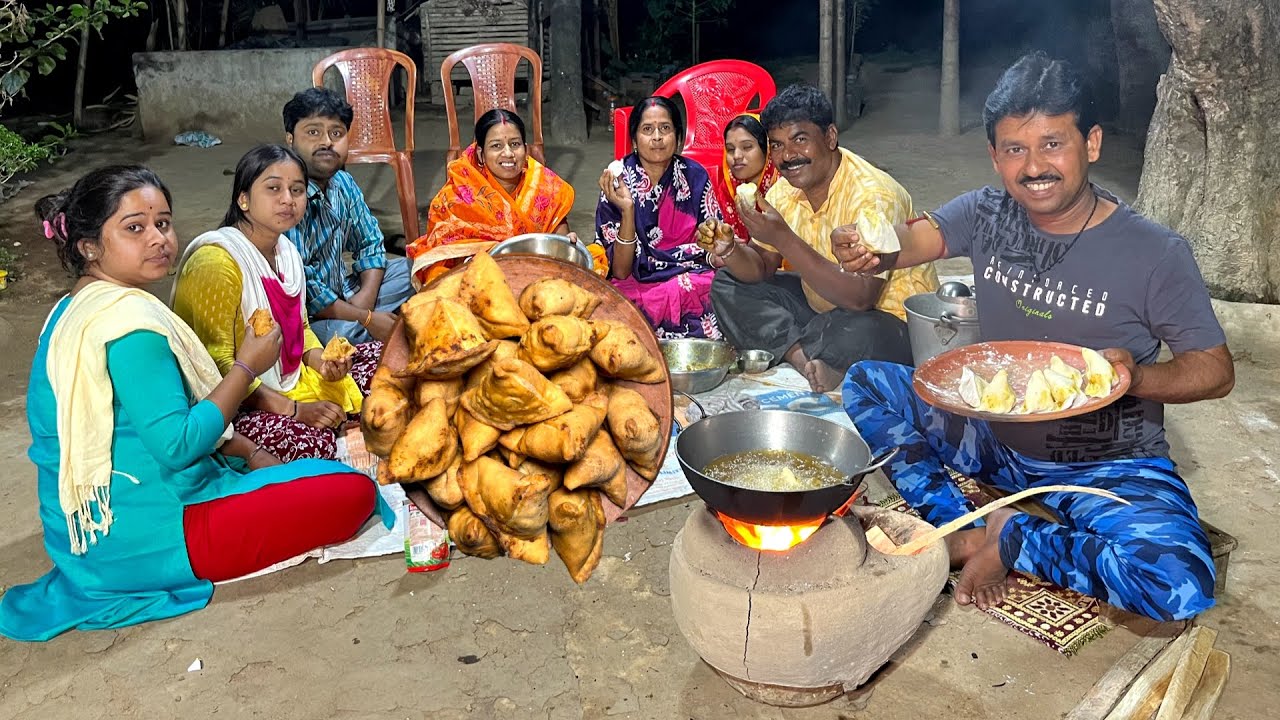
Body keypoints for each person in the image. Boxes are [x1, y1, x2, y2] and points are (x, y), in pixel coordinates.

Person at [835, 53, 1234, 621]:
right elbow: (908, 241)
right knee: (868, 383)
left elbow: (1216, 370)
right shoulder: (986, 212)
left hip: (1105, 463)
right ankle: (965, 529)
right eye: (1014, 149)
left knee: (1176, 585)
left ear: (1091, 143)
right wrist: (867, 245)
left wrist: (1138, 377)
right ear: (995, 156)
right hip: (993, 442)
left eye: (1053, 143)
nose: (1033, 166)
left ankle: (1011, 538)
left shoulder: (1154, 253)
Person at [0, 166, 388, 641]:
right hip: (153, 535)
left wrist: (246, 449)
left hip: (88, 537)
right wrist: (247, 366)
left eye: (162, 223)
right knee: (352, 491)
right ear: (89, 247)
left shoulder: (75, 308)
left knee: (304, 466)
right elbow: (179, 444)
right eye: (134, 228)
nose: (158, 239)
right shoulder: (133, 326)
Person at [708, 85, 937, 393]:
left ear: (829, 137)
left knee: (852, 332)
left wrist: (784, 238)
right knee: (727, 284)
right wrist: (732, 250)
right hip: (822, 306)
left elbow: (861, 298)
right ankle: (803, 358)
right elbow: (762, 267)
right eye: (776, 145)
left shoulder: (872, 195)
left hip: (884, 319)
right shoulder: (784, 190)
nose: (787, 156)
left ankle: (801, 346)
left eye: (799, 140)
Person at [172, 145, 381, 463]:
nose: (288, 199)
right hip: (234, 401)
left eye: (297, 190)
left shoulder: (286, 252)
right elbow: (215, 366)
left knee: (384, 359)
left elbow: (301, 330)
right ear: (243, 199)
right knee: (313, 443)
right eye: (273, 188)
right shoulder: (216, 263)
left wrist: (322, 363)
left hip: (289, 378)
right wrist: (294, 410)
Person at [407, 109, 606, 287]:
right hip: (476, 281)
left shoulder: (545, 187)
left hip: (534, 279)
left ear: (525, 149)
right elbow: (448, 256)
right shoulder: (457, 195)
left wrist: (568, 243)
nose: (508, 153)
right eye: (496, 146)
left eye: (515, 144)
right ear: (481, 154)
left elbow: (559, 244)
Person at [282, 87, 414, 345]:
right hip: (310, 316)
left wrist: (364, 302)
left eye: (336, 133)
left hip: (348, 293)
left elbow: (370, 243)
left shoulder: (342, 182)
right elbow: (305, 289)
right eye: (313, 132)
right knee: (342, 337)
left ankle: (381, 327)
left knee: (417, 269)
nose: (326, 142)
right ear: (290, 139)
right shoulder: (286, 197)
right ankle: (383, 328)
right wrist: (365, 318)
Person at [595, 96, 723, 339]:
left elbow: (712, 246)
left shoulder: (695, 176)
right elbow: (620, 271)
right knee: (613, 302)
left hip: (690, 275)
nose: (657, 137)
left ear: (678, 135)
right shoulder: (617, 180)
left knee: (721, 286)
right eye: (647, 129)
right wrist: (628, 209)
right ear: (634, 139)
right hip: (636, 282)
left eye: (665, 128)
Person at [713, 113, 780, 245]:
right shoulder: (727, 189)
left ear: (766, 149)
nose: (736, 155)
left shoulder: (785, 188)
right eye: (730, 149)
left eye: (747, 147)